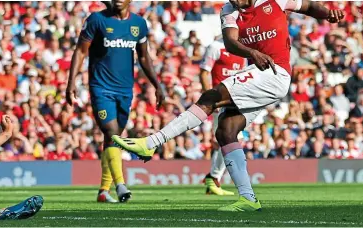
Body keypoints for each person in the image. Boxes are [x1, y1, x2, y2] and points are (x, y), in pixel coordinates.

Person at [114, 0, 344, 211]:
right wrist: (252, 52)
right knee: (226, 131)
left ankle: (152, 142)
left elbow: (309, 6)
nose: (236, 1)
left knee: (209, 98)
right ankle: (248, 199)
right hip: (258, 74)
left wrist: (328, 14)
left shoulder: (275, 0)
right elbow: (231, 42)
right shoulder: (229, 10)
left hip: (276, 73)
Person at [66, 0, 164, 203]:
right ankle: (121, 185)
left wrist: (157, 85)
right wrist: (71, 82)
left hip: (125, 90)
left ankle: (103, 191)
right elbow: (81, 51)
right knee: (111, 132)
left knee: (113, 138)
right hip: (101, 88)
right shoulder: (97, 20)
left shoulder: (139, 24)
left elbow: (144, 57)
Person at [198, 38, 246, 196]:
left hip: (236, 102)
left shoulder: (242, 49)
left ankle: (213, 178)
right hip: (220, 101)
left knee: (229, 140)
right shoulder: (216, 47)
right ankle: (214, 177)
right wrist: (209, 99)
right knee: (227, 139)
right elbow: (204, 72)